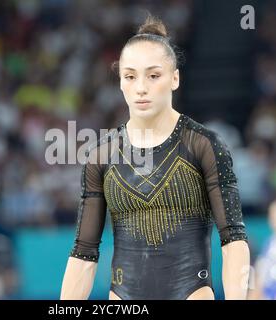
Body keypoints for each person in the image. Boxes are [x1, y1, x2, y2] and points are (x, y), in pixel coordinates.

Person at [60, 14, 250, 300]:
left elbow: (233, 238)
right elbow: (84, 253)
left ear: (175, 78)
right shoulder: (101, 156)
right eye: (130, 76)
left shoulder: (203, 145)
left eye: (153, 75)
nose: (141, 88)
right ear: (120, 82)